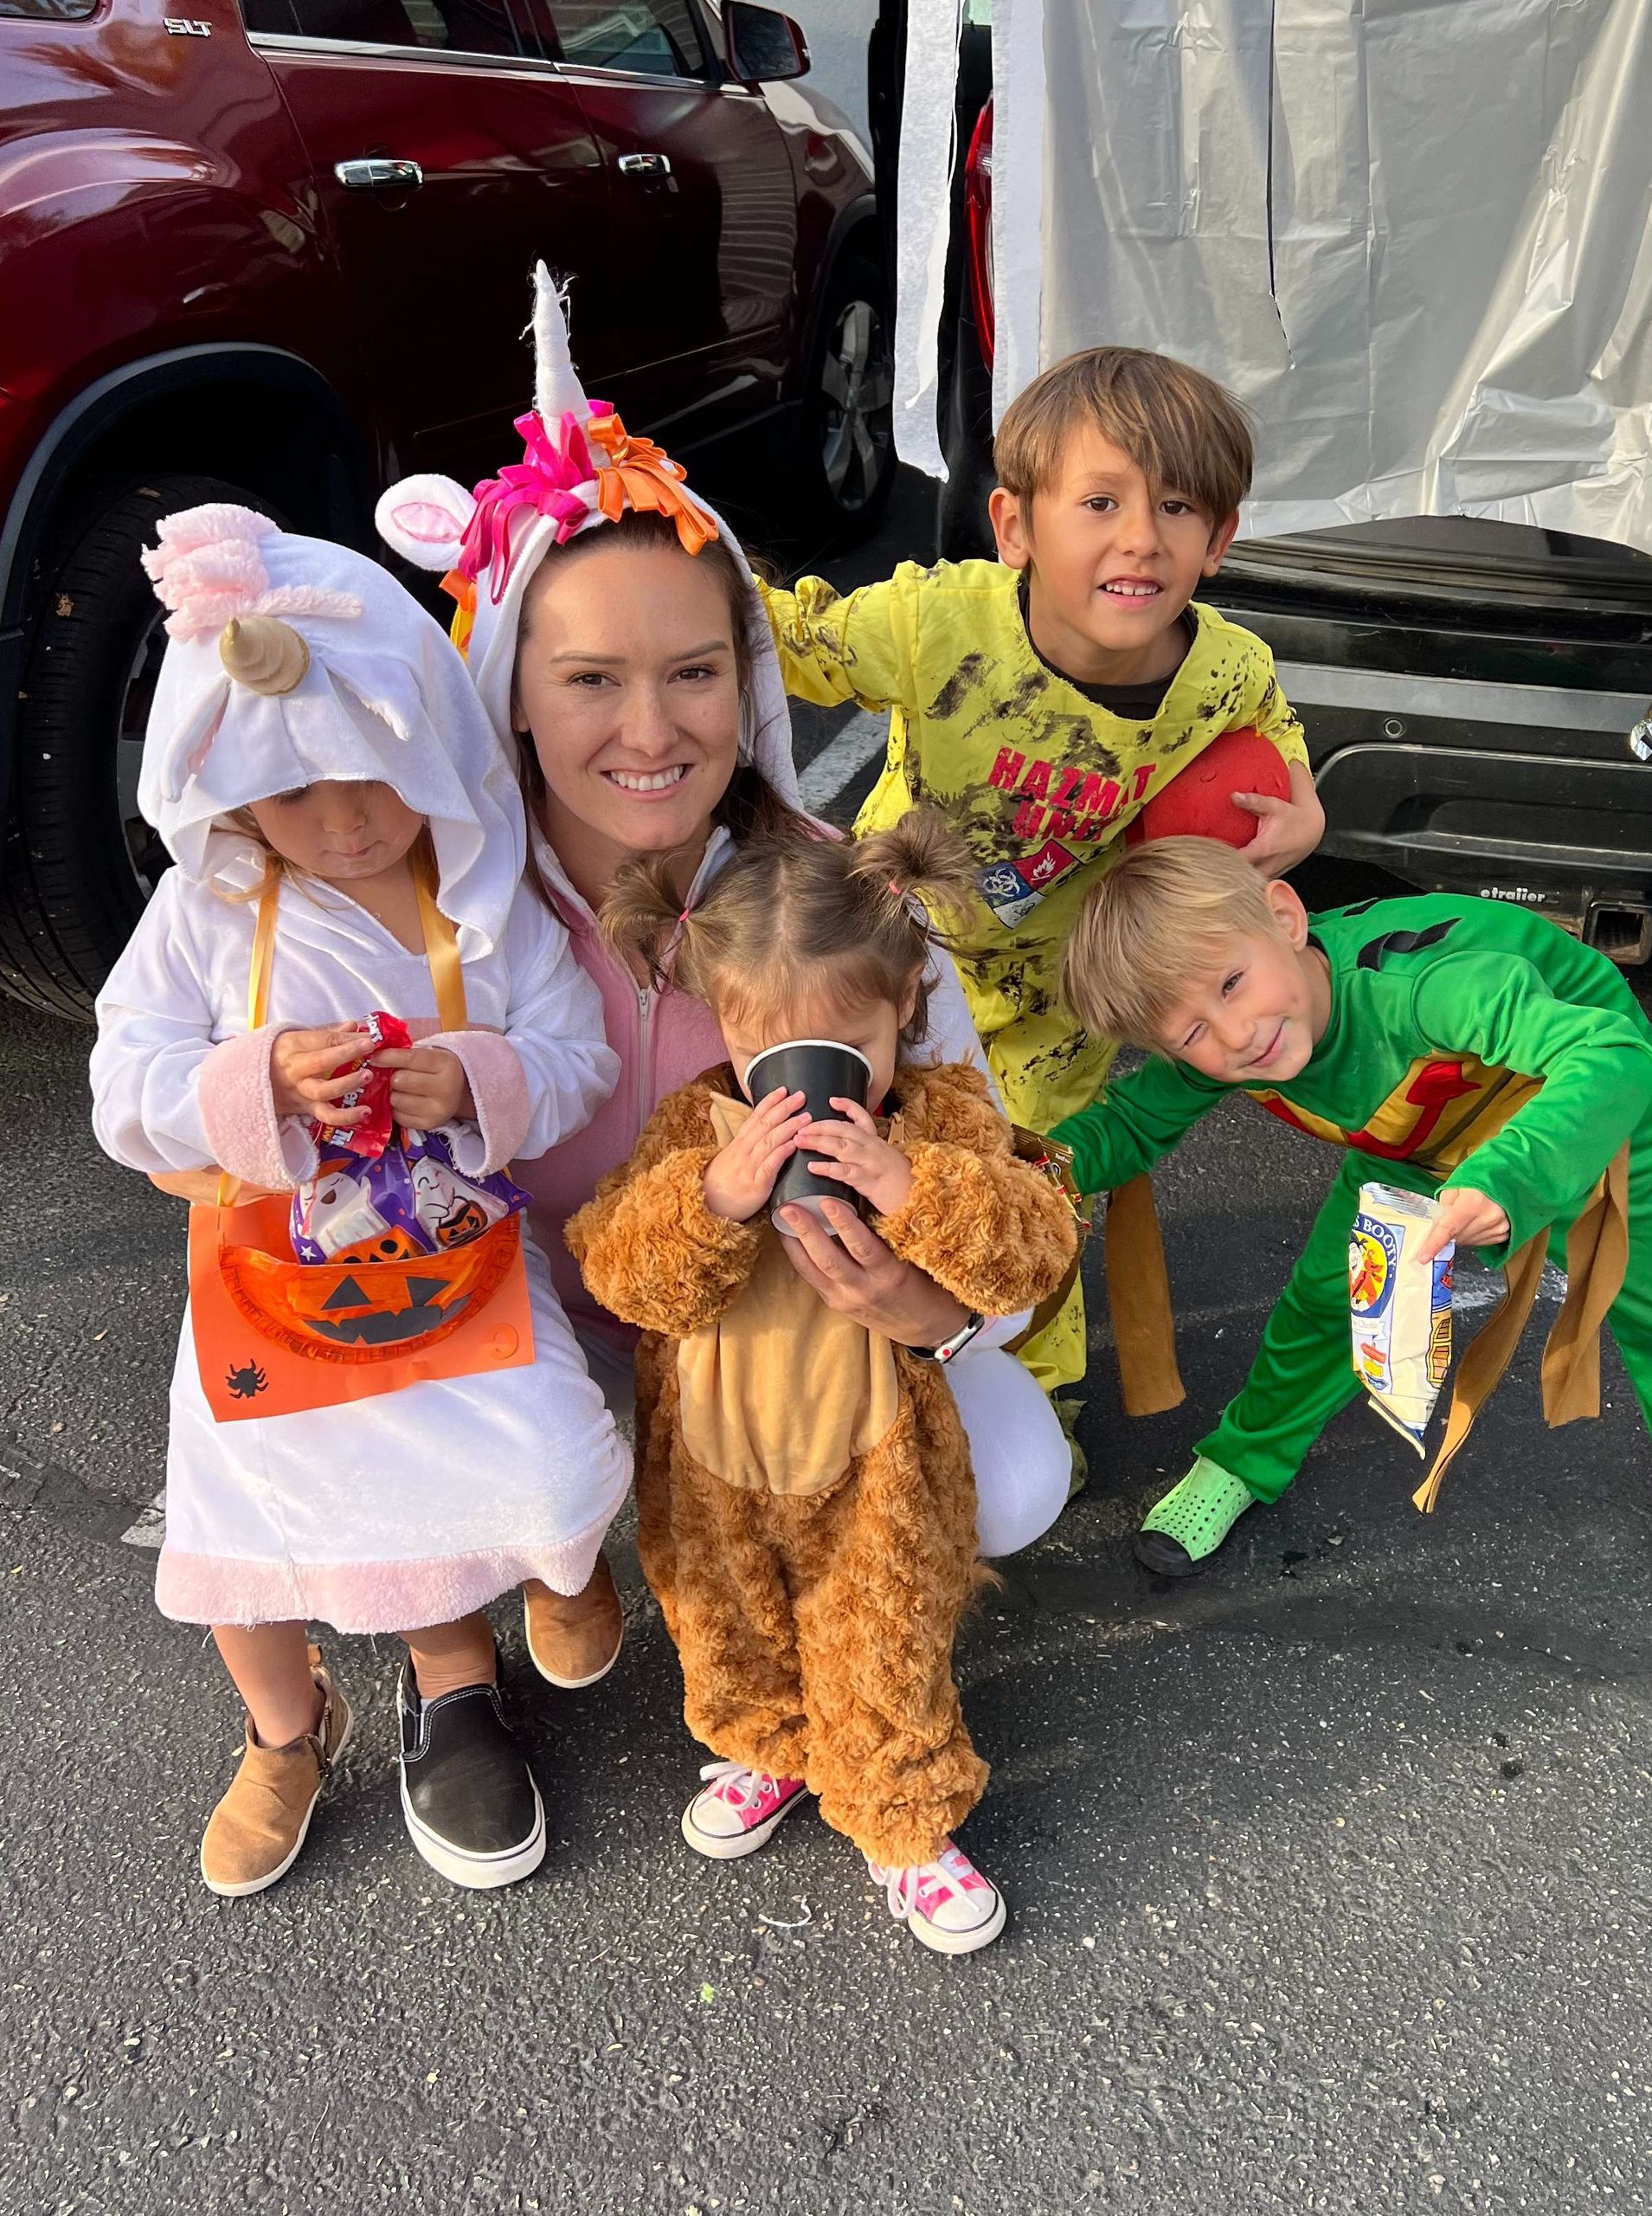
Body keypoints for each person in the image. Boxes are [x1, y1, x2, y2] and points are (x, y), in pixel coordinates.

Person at [375, 267, 1075, 1694]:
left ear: (745, 674)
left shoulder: (844, 902)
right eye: (589, 681)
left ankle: (851, 1636)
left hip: (779, 1338)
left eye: (693, 672)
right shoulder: (443, 906)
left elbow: (996, 1158)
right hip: (542, 1344)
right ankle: (456, 1675)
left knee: (1016, 1473)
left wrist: (938, 1314)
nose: (652, 730)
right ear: (510, 681)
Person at [90, 505, 632, 1896]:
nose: (339, 827)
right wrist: (254, 1079)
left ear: (436, 756)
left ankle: (516, 1611)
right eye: (289, 795)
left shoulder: (488, 905)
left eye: (373, 786)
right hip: (273, 1280)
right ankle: (286, 1729)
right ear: (222, 790)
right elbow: (122, 1082)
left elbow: (575, 1056)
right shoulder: (207, 917)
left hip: (461, 1267)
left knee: (551, 1452)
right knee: (245, 1524)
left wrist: (480, 1081)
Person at [753, 345, 1327, 1395]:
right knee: (871, 1167)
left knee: (1032, 1193)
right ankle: (864, 1385)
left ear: (1220, 541)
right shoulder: (939, 622)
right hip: (895, 957)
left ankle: (1033, 1390)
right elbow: (786, 635)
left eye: (1180, 509)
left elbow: (1268, 719)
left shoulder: (1226, 670)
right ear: (1015, 526)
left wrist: (1305, 792)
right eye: (1101, 502)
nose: (1141, 539)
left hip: (1059, 994)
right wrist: (653, 540)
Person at [566, 816, 1079, 1954]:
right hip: (715, 1458)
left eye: (843, 1049)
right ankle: (767, 1747)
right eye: (768, 1062)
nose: (798, 1092)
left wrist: (916, 1188)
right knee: (722, 1623)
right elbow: (616, 1263)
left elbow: (1035, 1242)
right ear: (727, 1030)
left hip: (875, 1457)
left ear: (902, 1004)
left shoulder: (939, 1116)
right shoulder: (697, 1125)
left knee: (881, 1633)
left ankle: (900, 1818)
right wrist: (708, 1196)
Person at [1048, 838, 1652, 1573]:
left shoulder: (1421, 989)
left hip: (1585, 1113)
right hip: (1421, 1127)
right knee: (1333, 1295)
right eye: (1191, 1035)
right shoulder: (1246, 1025)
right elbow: (1124, 1125)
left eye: (1234, 984)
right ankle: (1242, 1463)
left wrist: (1507, 1179)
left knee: (1651, 1307)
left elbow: (1615, 1057)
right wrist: (1016, 1173)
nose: (1236, 1034)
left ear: (1284, 918)